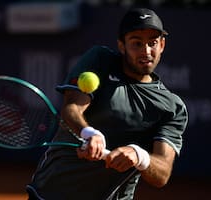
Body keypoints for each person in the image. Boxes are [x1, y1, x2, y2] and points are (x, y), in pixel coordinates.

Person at [26, 7, 188, 200]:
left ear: (162, 45)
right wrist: (89, 133)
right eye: (136, 43)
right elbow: (72, 108)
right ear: (122, 45)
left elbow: (162, 173)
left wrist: (139, 156)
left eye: (152, 43)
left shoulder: (172, 107)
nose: (146, 51)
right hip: (52, 192)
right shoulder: (100, 60)